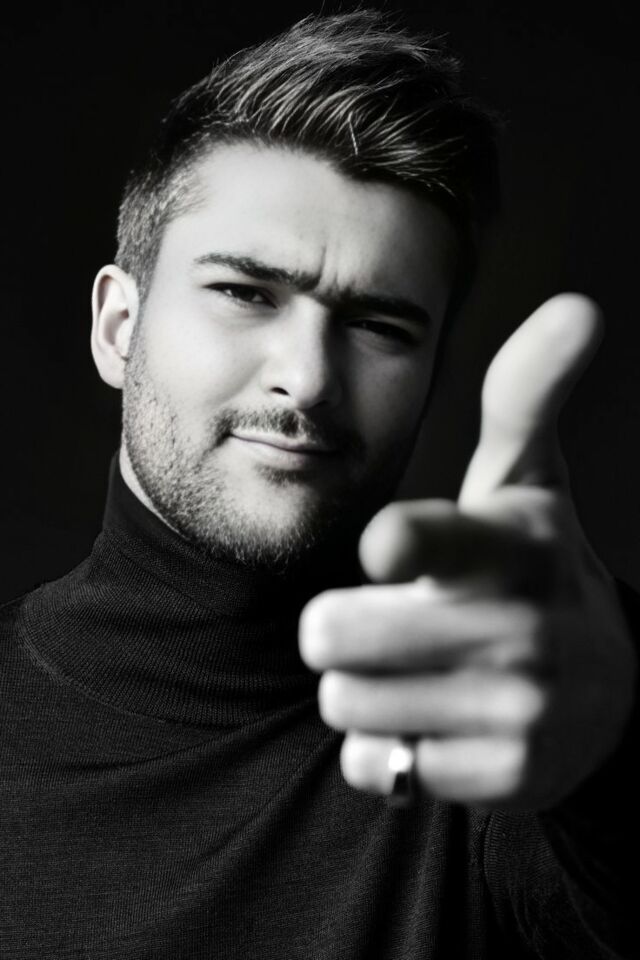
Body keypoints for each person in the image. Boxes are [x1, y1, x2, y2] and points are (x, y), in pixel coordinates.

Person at [0, 9, 636, 959]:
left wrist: (620, 756)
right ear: (117, 329)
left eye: (380, 326)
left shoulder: (499, 727)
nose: (307, 379)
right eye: (244, 293)